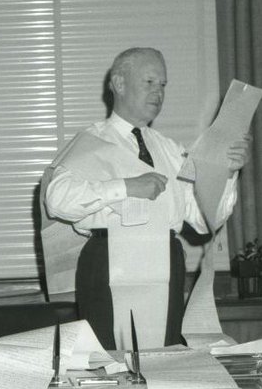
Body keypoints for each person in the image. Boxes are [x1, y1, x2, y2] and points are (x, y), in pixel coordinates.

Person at [43, 46, 250, 349]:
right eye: (150, 82)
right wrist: (125, 187)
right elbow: (57, 199)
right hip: (107, 260)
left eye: (163, 85)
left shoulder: (170, 149)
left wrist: (227, 173)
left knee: (161, 359)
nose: (158, 93)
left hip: (166, 261)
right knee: (109, 363)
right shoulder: (91, 141)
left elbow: (204, 219)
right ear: (119, 83)